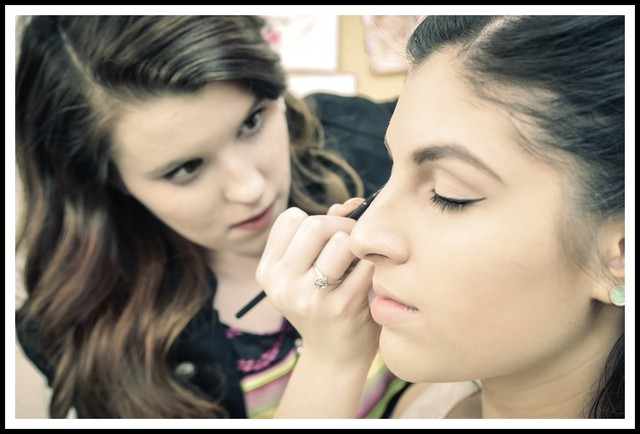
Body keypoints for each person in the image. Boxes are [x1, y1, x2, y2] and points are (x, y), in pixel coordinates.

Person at [14, 15, 411, 418]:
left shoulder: (369, 139)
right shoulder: (77, 333)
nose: (250, 188)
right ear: (108, 180)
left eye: (252, 122)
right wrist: (331, 359)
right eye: (185, 168)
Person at [257, 15, 625, 419]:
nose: (363, 236)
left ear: (622, 252)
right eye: (391, 171)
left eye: (450, 195)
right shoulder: (425, 405)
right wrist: (332, 356)